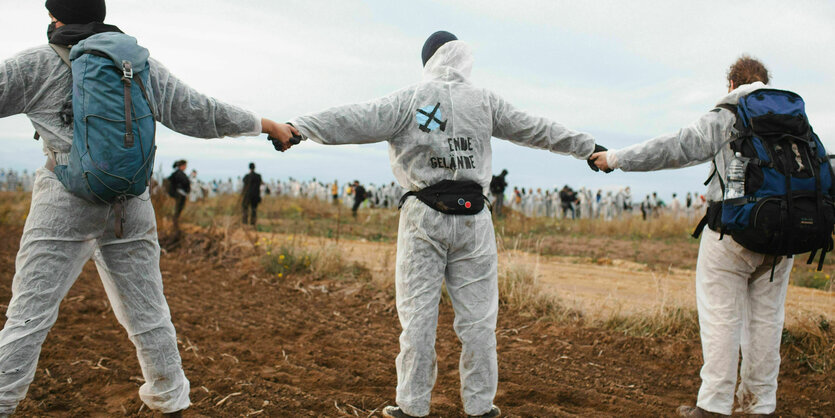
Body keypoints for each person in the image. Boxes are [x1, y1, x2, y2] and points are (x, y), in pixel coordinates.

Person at [268, 30, 602, 418]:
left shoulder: (410, 99)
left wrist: (300, 127)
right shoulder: (485, 101)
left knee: (418, 318)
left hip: (423, 218)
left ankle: (412, 407)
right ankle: (480, 407)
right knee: (478, 321)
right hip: (475, 221)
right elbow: (537, 128)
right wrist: (588, 148)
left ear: (427, 61)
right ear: (463, 58)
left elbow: (355, 117)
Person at [0, 1, 293, 415]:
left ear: (55, 18)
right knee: (149, 311)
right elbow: (198, 112)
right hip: (131, 201)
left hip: (65, 197)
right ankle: (170, 398)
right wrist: (267, 124)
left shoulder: (35, 64)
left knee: (29, 314)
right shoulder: (136, 62)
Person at [591, 56, 801, 417]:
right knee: (767, 321)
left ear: (732, 85)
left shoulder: (731, 113)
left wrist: (614, 158)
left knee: (721, 317)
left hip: (733, 235)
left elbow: (675, 147)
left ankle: (715, 406)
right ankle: (760, 406)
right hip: (785, 238)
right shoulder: (795, 120)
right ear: (767, 83)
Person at [168, 159, 190, 231]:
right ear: (182, 166)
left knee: (179, 208)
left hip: (181, 193)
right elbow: (184, 183)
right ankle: (175, 223)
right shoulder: (178, 173)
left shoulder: (179, 173)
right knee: (178, 208)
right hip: (180, 193)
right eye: (185, 165)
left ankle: (176, 223)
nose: (186, 167)